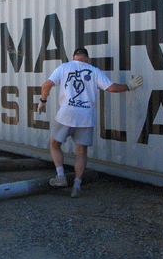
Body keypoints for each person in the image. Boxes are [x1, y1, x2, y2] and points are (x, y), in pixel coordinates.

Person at [38, 47, 143, 198]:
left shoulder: (64, 67)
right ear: (86, 59)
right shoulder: (93, 70)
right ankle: (76, 186)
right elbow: (112, 88)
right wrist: (129, 86)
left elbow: (46, 86)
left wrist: (43, 101)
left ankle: (60, 176)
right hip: (86, 116)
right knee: (81, 151)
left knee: (54, 144)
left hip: (66, 115)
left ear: (74, 57)